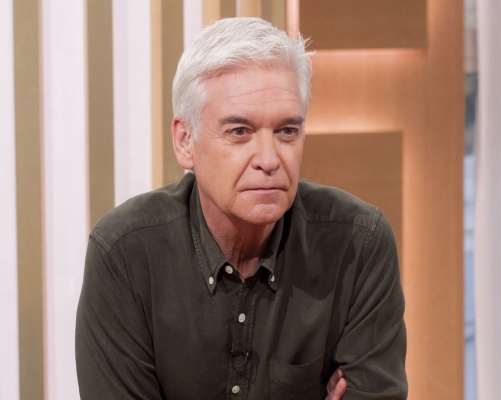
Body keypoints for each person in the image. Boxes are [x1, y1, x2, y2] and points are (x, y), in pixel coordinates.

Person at [75, 17, 407, 399]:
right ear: (185, 141)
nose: (269, 159)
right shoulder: (124, 255)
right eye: (239, 132)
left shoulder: (358, 244)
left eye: (287, 131)